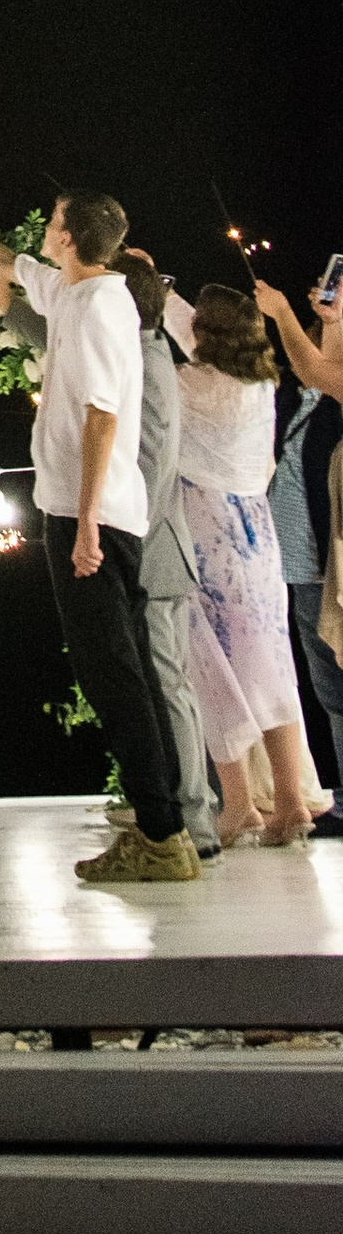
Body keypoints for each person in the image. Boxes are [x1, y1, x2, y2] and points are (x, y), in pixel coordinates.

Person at [0, 177, 200, 884]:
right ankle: (168, 827)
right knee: (129, 672)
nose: (43, 225)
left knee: (115, 675)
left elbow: (101, 415)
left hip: (86, 513)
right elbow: (0, 257)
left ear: (68, 235)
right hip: (94, 508)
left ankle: (161, 833)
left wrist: (85, 522)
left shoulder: (95, 307)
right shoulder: (80, 290)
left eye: (54, 219)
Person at [0, 245, 218, 860]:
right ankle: (168, 822)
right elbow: (62, 340)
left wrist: (101, 527)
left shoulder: (153, 363)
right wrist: (7, 307)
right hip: (120, 531)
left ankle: (187, 824)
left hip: (140, 541)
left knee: (155, 685)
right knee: (138, 681)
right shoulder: (124, 338)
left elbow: (153, 467)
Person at [166, 278, 320, 846]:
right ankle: (288, 801)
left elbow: (179, 341)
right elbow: (196, 330)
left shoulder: (190, 384)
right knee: (272, 668)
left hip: (208, 537)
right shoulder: (260, 384)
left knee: (213, 668)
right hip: (259, 538)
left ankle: (238, 805)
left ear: (204, 336)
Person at [263, 266, 343, 831]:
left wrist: (284, 312)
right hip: (301, 558)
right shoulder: (307, 398)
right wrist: (329, 320)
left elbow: (321, 369)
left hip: (332, 557)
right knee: (330, 684)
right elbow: (321, 370)